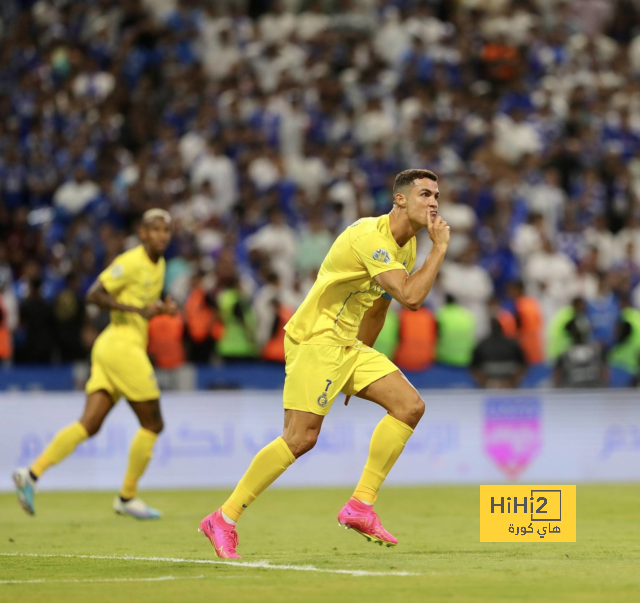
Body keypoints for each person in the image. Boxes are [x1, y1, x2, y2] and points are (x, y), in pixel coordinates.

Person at [198, 169, 450, 558]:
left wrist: (359, 366)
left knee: (409, 406)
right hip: (316, 339)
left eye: (436, 195)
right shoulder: (371, 237)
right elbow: (411, 298)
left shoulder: (407, 246)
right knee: (300, 438)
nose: (434, 202)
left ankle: (360, 506)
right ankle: (223, 518)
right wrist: (440, 250)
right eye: (424, 194)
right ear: (399, 199)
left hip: (347, 346)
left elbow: (379, 309)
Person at [13, 209, 176, 520]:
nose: (161, 235)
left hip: (112, 347)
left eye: (166, 230)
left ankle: (31, 474)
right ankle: (127, 496)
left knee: (89, 424)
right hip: (121, 347)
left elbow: (142, 305)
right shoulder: (130, 262)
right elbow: (93, 294)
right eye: (155, 229)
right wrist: (136, 309)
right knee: (153, 424)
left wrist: (160, 309)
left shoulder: (161, 265)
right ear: (142, 234)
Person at [471, 318, 527, 389]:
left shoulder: (481, 344)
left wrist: (487, 383)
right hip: (507, 383)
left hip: (491, 382)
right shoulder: (513, 344)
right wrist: (511, 382)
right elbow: (523, 366)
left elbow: (474, 368)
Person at [553, 317, 607, 388]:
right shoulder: (598, 352)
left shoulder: (564, 356)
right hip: (593, 395)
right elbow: (604, 377)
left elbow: (556, 381)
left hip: (571, 396)